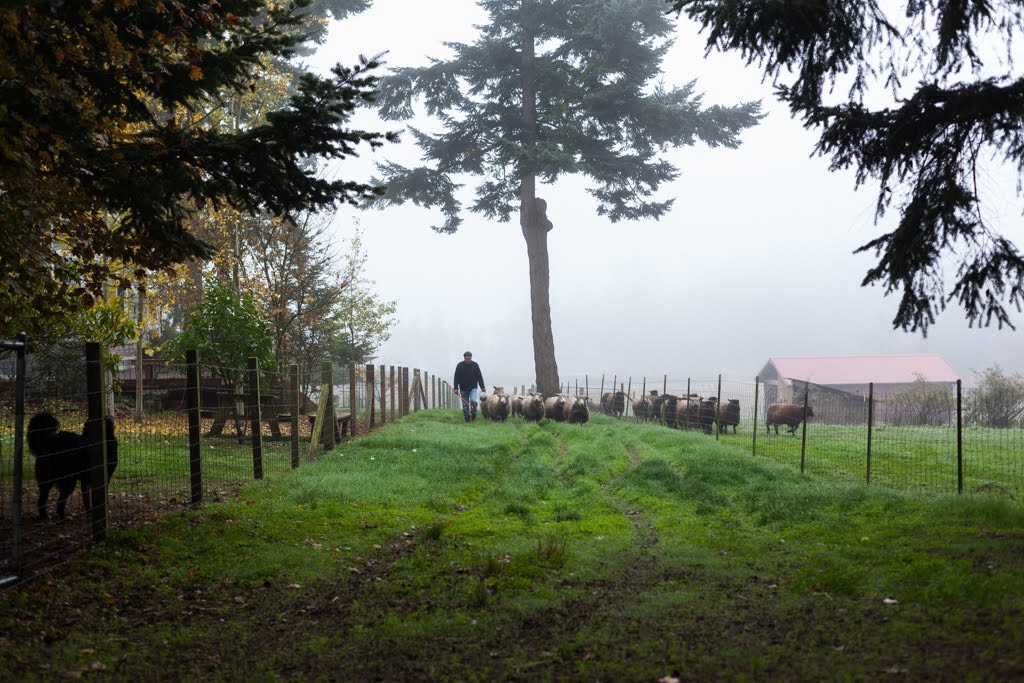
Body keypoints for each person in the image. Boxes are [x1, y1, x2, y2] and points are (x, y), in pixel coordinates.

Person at [453, 351, 485, 422]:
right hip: (463, 389)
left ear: (471, 357)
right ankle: (467, 419)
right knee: (465, 405)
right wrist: (455, 388)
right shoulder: (459, 366)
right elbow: (456, 377)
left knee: (473, 401)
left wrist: (482, 387)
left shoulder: (475, 365)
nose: (468, 359)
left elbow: (479, 376)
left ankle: (474, 414)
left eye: (469, 358)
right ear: (464, 358)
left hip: (473, 388)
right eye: (466, 358)